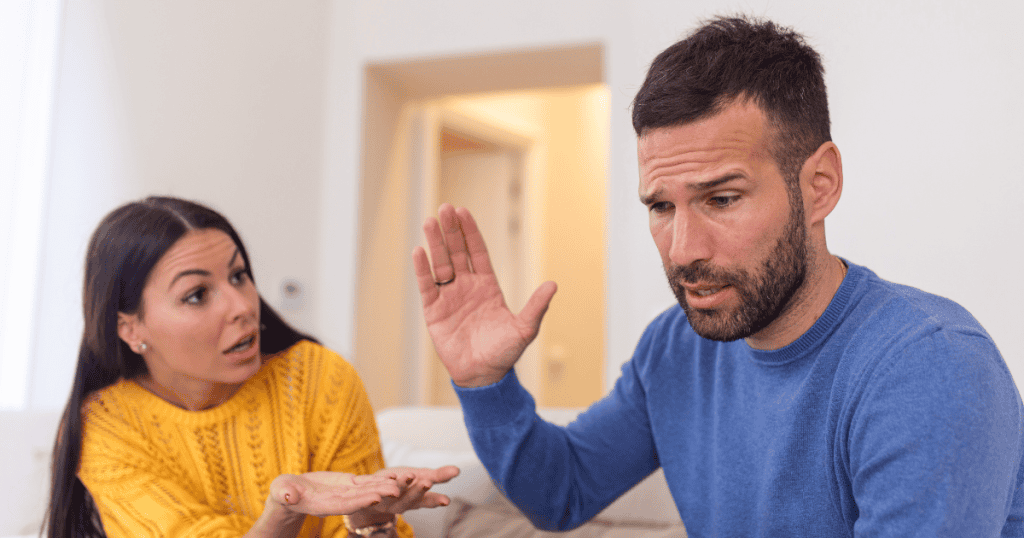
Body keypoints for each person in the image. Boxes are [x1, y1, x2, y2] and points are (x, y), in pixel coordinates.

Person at [412, 15, 1024, 536]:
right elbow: (561, 491)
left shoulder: (927, 365)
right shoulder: (674, 348)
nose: (683, 251)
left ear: (820, 186)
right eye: (661, 206)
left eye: (722, 199)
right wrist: (486, 382)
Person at [45, 196, 458, 538]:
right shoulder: (105, 425)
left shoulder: (319, 380)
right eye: (197, 294)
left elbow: (364, 525)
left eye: (238, 276)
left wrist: (369, 522)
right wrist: (283, 516)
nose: (242, 306)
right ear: (131, 328)